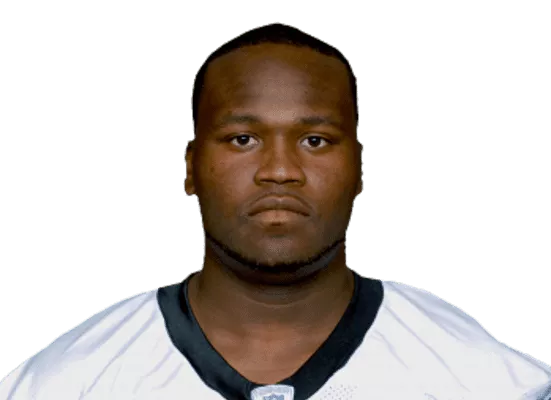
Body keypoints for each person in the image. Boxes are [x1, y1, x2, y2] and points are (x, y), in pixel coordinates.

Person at [0, 21, 549, 400]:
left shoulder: (490, 382)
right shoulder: (64, 384)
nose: (280, 170)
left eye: (315, 140)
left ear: (360, 168)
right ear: (189, 168)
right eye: (243, 139)